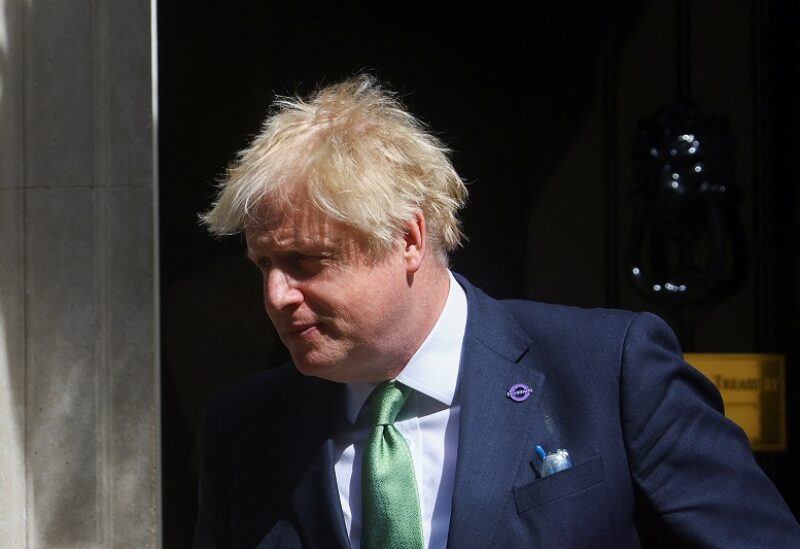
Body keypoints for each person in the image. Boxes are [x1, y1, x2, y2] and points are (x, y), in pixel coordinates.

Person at [194, 75, 800, 548]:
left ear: (408, 239)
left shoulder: (608, 372)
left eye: (307, 261)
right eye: (262, 266)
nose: (276, 296)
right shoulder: (243, 429)